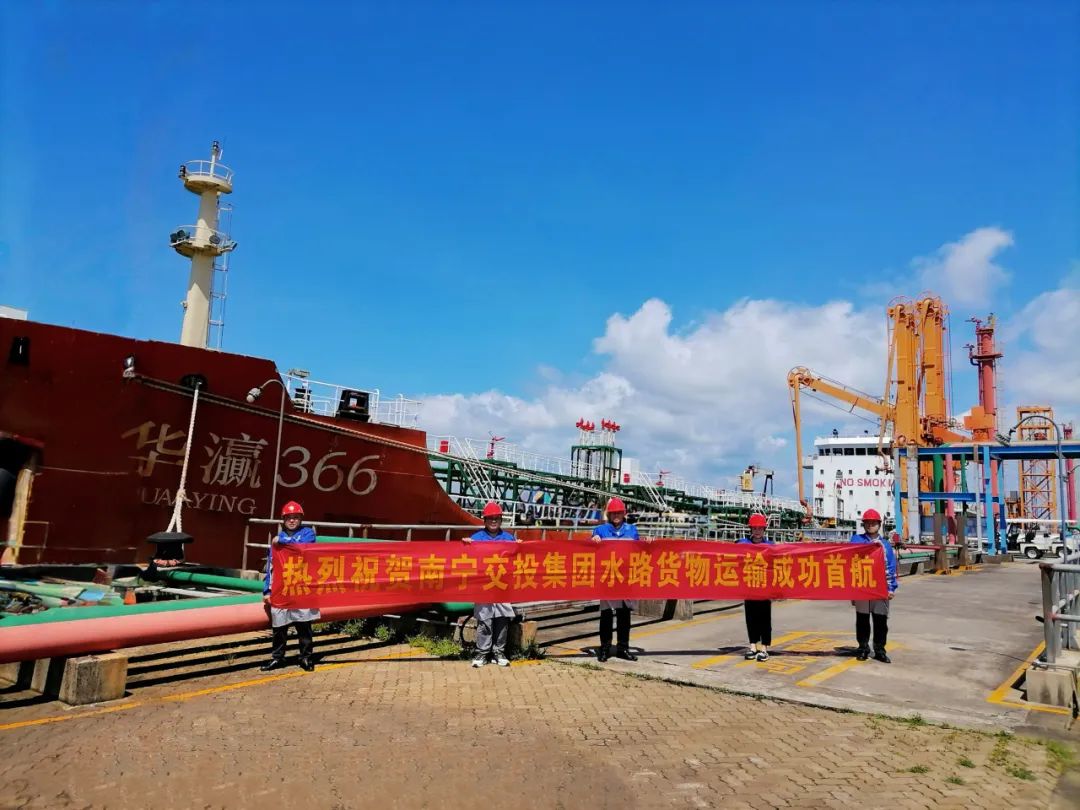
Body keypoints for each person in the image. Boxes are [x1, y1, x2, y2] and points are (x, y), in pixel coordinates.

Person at [261, 501, 320, 672]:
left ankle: (306, 657)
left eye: (295, 517)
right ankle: (277, 658)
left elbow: (301, 547)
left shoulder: (308, 533)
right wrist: (267, 590)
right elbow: (271, 567)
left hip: (301, 588)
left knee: (304, 626)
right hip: (281, 589)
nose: (292, 520)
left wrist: (281, 540)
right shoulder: (276, 541)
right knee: (279, 627)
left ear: (301, 519)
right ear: (283, 520)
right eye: (289, 518)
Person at [591, 497, 650, 662]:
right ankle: (604, 648)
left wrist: (648, 543)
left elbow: (639, 550)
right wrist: (593, 541)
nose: (616, 515)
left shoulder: (632, 530)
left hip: (625, 578)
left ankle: (623, 648)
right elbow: (588, 550)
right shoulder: (600, 530)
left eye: (619, 513)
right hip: (608, 578)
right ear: (609, 515)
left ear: (624, 514)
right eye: (613, 513)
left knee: (624, 615)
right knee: (606, 615)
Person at [464, 502, 521, 668]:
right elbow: (465, 557)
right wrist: (465, 545)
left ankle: (499, 652)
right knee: (484, 620)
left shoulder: (509, 538)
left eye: (496, 518)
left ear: (501, 520)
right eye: (490, 518)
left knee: (502, 619)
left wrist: (521, 546)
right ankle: (482, 653)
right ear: (485, 520)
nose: (493, 521)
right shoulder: (476, 538)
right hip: (484, 586)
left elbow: (518, 559)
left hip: (502, 585)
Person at [850, 508, 898, 663]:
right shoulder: (856, 540)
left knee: (880, 622)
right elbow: (849, 560)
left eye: (873, 522)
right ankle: (863, 648)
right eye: (867, 522)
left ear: (879, 524)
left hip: (880, 588)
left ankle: (879, 650)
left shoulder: (885, 545)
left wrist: (891, 588)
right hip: (862, 587)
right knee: (862, 621)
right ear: (863, 524)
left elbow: (891, 567)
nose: (870, 525)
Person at [737, 513, 774, 662]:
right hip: (749, 586)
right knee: (750, 617)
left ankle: (764, 649)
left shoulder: (770, 546)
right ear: (751, 529)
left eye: (760, 528)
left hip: (765, 588)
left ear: (764, 530)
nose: (757, 531)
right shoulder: (742, 544)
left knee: (764, 618)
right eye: (755, 528)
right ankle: (752, 647)